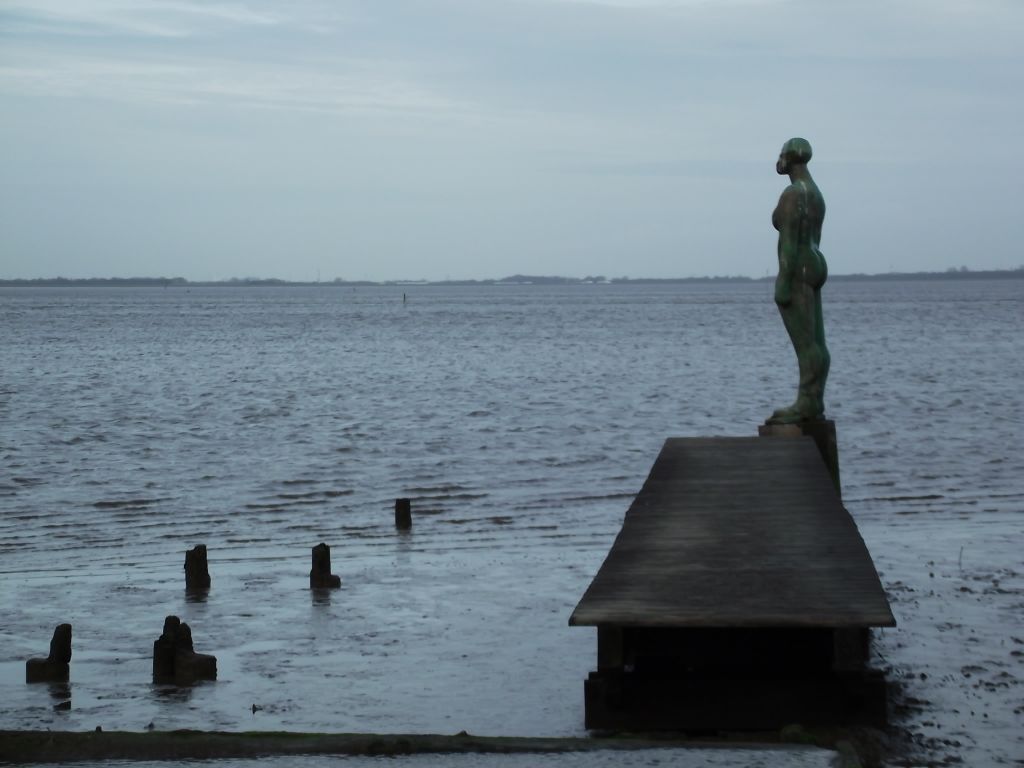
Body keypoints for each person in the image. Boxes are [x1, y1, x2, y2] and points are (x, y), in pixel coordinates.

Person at [767, 137, 830, 424]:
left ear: (789, 159)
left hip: (799, 267)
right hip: (814, 262)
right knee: (816, 338)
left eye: (780, 155)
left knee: (805, 340)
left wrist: (783, 280)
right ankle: (814, 398)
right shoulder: (814, 193)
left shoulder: (793, 194)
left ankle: (807, 401)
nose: (777, 161)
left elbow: (789, 241)